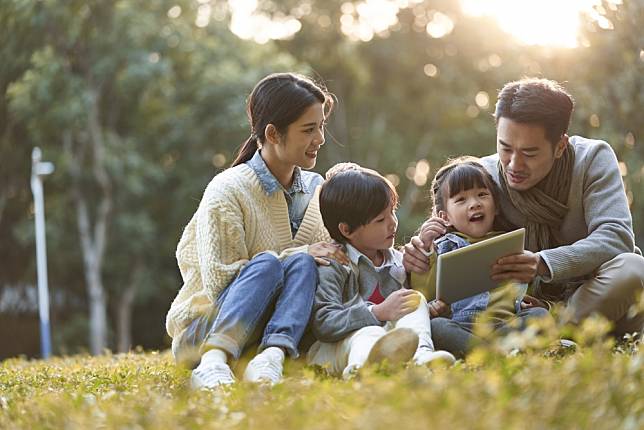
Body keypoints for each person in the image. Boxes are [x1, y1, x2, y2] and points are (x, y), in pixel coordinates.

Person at [404, 78, 644, 337]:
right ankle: (546, 336)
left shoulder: (592, 159)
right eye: (505, 148)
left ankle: (548, 333)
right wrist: (420, 252)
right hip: (516, 309)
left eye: (529, 153)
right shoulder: (483, 177)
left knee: (633, 268)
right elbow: (449, 244)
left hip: (585, 294)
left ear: (560, 146)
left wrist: (543, 263)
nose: (514, 165)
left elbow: (617, 237)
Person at [165, 73, 349, 388]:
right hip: (208, 332)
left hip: (273, 335)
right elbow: (223, 282)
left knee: (306, 266)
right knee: (269, 264)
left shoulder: (319, 190)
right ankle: (212, 363)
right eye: (309, 129)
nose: (320, 138)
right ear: (273, 134)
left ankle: (271, 360)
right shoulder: (228, 189)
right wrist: (299, 254)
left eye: (321, 127)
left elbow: (335, 266)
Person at [307, 165, 455, 379]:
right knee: (370, 332)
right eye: (380, 220)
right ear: (346, 230)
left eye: (392, 212)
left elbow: (401, 314)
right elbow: (324, 323)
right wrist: (376, 313)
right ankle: (361, 371)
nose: (393, 223)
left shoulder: (396, 259)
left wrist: (427, 308)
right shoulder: (334, 264)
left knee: (414, 299)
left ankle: (421, 356)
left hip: (389, 342)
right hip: (338, 349)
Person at [410, 156, 551, 358]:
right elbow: (422, 290)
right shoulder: (441, 247)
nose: (474, 204)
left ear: (496, 207)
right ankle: (496, 356)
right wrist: (425, 248)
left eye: (482, 195)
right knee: (437, 327)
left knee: (539, 316)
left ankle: (487, 355)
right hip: (462, 328)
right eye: (461, 200)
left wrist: (534, 302)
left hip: (505, 325)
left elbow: (525, 283)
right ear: (445, 217)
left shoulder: (511, 242)